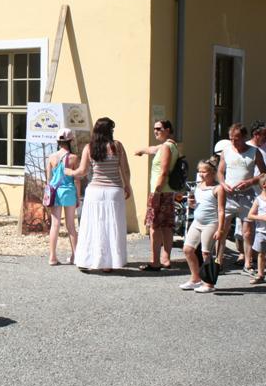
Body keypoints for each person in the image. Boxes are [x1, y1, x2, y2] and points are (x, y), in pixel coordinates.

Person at [65, 117, 130, 272]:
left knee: (92, 226)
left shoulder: (90, 147)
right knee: (112, 227)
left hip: (94, 191)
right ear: (109, 131)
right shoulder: (117, 146)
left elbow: (82, 171)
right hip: (114, 190)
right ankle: (108, 263)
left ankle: (86, 260)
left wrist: (70, 172)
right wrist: (128, 186)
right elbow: (125, 170)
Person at [217, 123, 266, 275]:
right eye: (231, 139)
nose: (234, 142)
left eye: (237, 139)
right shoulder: (226, 151)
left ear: (245, 138)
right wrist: (223, 184)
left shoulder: (254, 152)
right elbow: (220, 172)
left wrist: (250, 182)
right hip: (229, 195)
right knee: (222, 228)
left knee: (247, 231)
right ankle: (218, 260)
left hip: (247, 195)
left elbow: (264, 174)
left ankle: (248, 262)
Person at [135, 119, 179, 270]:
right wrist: (141, 150)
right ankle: (165, 259)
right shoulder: (171, 145)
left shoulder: (166, 147)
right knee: (166, 226)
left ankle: (155, 261)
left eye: (159, 129)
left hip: (159, 191)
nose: (156, 131)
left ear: (168, 129)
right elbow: (153, 149)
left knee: (154, 226)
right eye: (154, 128)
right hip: (167, 191)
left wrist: (156, 193)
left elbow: (164, 171)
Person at [179, 158, 225, 293]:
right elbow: (196, 205)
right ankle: (195, 279)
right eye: (199, 171)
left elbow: (221, 210)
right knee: (188, 249)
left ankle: (209, 283)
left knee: (206, 253)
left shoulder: (218, 189)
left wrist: (220, 229)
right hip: (197, 223)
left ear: (212, 172)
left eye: (204, 172)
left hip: (211, 223)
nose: (201, 174)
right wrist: (192, 204)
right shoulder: (198, 187)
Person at [45, 129, 80, 266]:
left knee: (55, 225)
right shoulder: (73, 158)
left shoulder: (51, 157)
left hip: (55, 192)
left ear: (58, 141)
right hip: (69, 191)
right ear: (70, 141)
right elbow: (76, 179)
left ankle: (52, 257)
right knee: (71, 225)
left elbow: (49, 179)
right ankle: (76, 256)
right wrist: (78, 196)